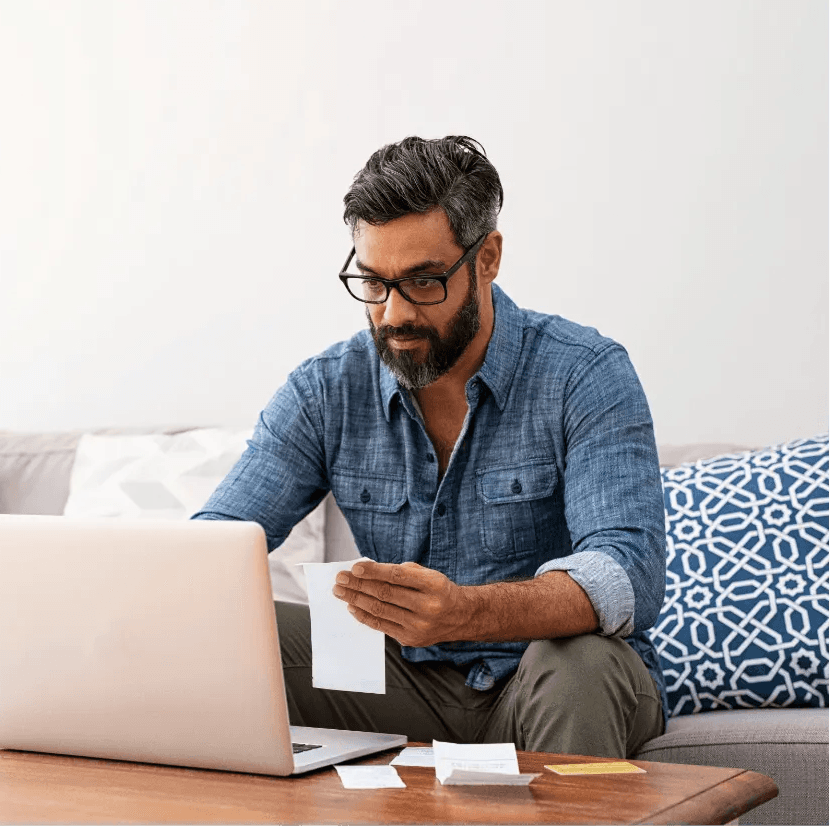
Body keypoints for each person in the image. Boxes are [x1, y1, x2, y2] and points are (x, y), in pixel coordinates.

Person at [192, 135, 668, 758]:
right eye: (373, 282)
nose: (392, 315)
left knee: (580, 660)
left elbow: (627, 574)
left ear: (488, 258)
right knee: (223, 637)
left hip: (544, 684)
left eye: (422, 282)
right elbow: (212, 549)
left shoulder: (584, 373)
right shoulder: (325, 390)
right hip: (399, 681)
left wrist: (465, 613)